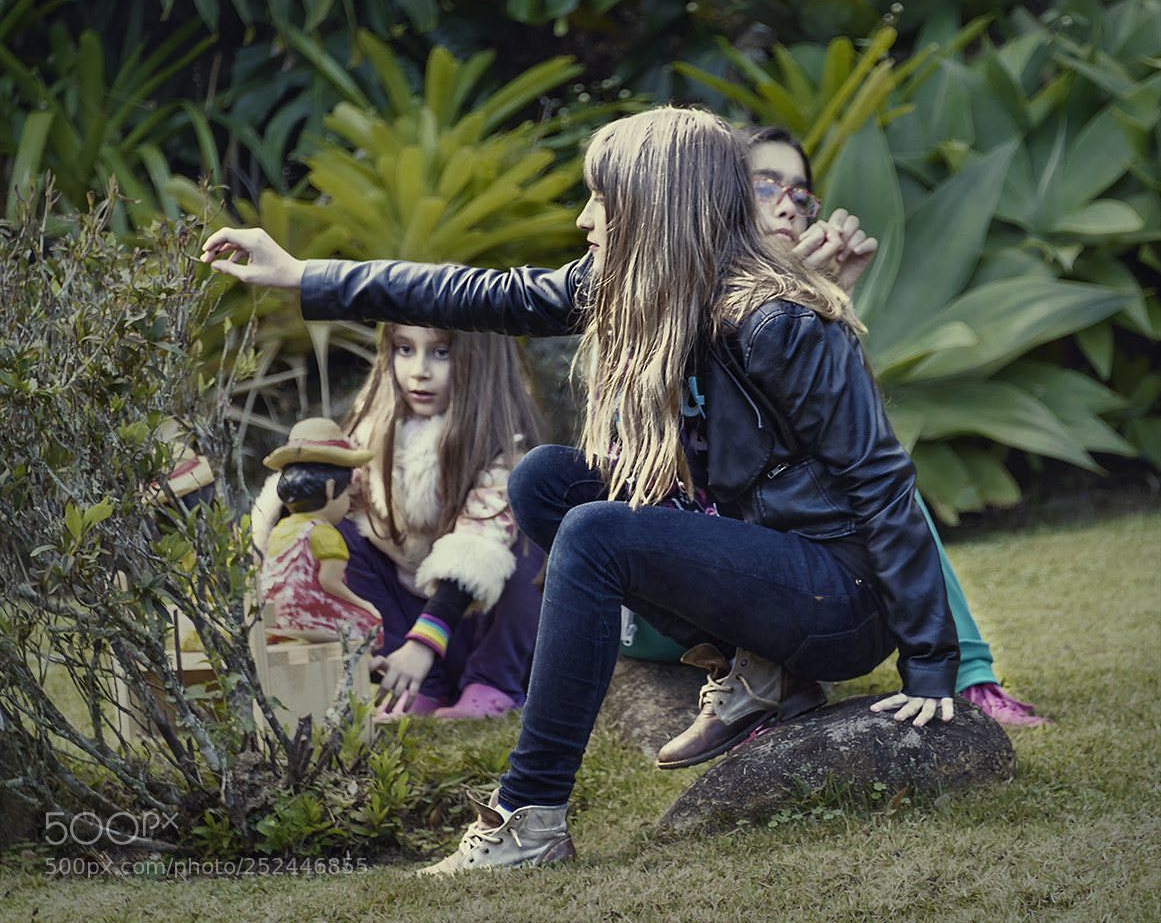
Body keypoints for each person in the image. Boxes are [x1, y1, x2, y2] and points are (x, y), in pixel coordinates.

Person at [203, 105, 960, 871]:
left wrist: (932, 662)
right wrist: (305, 276)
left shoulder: (777, 323)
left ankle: (528, 816)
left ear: (655, 207)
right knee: (547, 481)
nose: (582, 218)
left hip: (840, 595)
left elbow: (880, 479)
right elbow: (476, 293)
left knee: (599, 532)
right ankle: (755, 671)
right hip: (763, 566)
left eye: (601, 199)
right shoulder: (634, 285)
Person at [741, 124, 1047, 729]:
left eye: (801, 194)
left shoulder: (798, 302)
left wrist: (831, 304)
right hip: (677, 581)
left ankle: (966, 672)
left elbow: (855, 442)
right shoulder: (679, 297)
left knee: (879, 476)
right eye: (763, 185)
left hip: (789, 571)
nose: (787, 204)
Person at [252, 325, 547, 720]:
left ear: (483, 363)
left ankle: (493, 686)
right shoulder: (373, 432)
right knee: (330, 529)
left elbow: (478, 546)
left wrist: (423, 645)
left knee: (525, 531)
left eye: (440, 353)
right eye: (404, 349)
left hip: (476, 626)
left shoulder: (506, 446)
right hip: (400, 629)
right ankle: (413, 687)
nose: (418, 370)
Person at [257, 417, 382, 644]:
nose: (347, 503)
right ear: (330, 488)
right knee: (371, 623)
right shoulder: (324, 532)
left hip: (275, 616)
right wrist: (364, 604)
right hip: (307, 615)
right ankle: (368, 665)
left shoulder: (280, 528)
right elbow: (329, 582)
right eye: (345, 494)